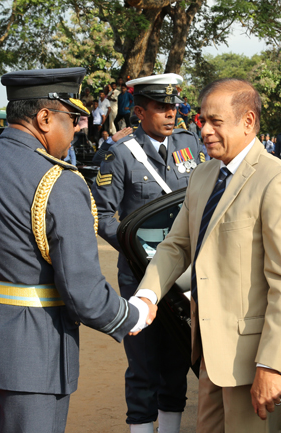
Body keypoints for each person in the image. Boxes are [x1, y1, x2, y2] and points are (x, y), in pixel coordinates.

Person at [0, 67, 154, 433]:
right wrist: (130, 316)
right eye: (70, 120)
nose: (73, 133)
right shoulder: (61, 181)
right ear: (44, 118)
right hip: (34, 356)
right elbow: (83, 293)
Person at [134, 78, 281, 433]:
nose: (205, 131)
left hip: (254, 361)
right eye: (202, 120)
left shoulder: (278, 181)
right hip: (210, 356)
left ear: (248, 121)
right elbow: (177, 245)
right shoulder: (204, 175)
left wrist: (272, 365)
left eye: (216, 121)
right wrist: (147, 294)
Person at [91, 73, 201, 433]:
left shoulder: (190, 144)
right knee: (142, 362)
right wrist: (140, 251)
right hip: (140, 276)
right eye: (160, 108)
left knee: (176, 360)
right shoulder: (120, 154)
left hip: (184, 274)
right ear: (139, 111)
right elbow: (104, 216)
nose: (170, 114)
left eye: (173, 106)